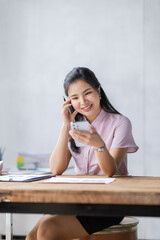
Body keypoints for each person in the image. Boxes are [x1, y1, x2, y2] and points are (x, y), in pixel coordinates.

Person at [26, 67, 138, 240]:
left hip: (110, 203)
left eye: (87, 93)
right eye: (75, 98)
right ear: (69, 102)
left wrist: (98, 144)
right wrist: (65, 125)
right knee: (32, 235)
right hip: (79, 199)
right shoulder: (74, 126)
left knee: (47, 230)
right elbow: (56, 168)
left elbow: (110, 171)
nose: (83, 101)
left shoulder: (120, 123)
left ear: (98, 90)